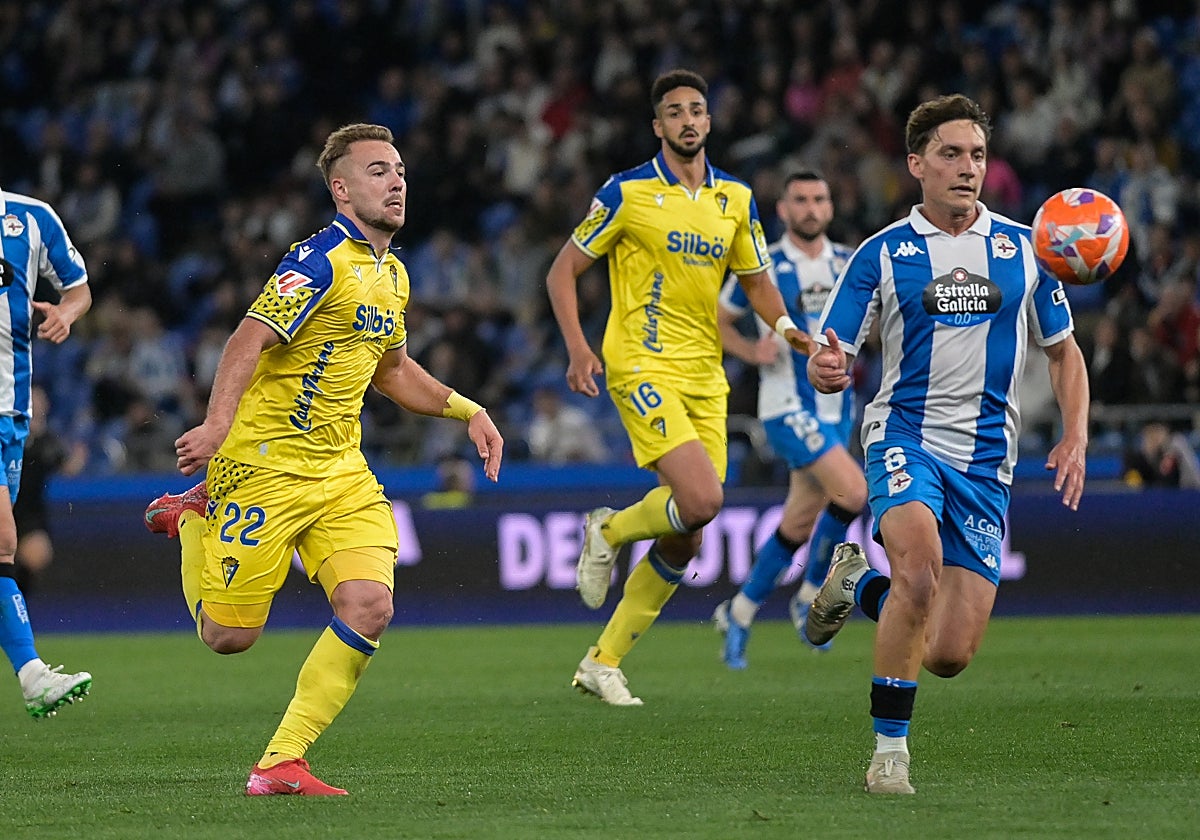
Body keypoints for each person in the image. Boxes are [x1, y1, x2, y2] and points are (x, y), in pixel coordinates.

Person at [143, 124, 503, 795]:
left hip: (342, 474)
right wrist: (218, 427)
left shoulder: (393, 274)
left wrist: (469, 411)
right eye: (377, 171)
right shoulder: (315, 262)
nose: (396, 181)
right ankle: (193, 517)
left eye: (399, 170)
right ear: (341, 190)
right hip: (263, 466)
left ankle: (280, 761)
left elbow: (392, 372)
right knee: (228, 638)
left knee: (369, 605)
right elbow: (245, 341)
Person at [805, 94, 1089, 794]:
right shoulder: (883, 253)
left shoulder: (1027, 249)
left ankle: (854, 581)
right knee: (921, 570)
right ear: (917, 164)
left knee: (949, 654)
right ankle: (889, 754)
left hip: (987, 464)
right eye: (952, 154)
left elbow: (1064, 353)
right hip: (905, 437)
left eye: (978, 155)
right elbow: (829, 352)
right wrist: (828, 368)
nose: (969, 168)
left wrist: (1076, 434)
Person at [545, 69, 811, 706]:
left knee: (690, 530)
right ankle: (607, 532)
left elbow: (754, 280)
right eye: (674, 112)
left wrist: (786, 327)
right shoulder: (626, 193)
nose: (688, 120)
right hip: (640, 361)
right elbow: (563, 271)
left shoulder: (736, 200)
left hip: (705, 376)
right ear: (658, 126)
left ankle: (601, 661)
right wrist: (580, 347)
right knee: (702, 496)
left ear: (709, 121)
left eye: (697, 109)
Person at [711, 170, 867, 669]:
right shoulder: (766, 266)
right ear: (782, 210)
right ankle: (811, 597)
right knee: (854, 492)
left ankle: (738, 612)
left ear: (830, 206)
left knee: (798, 522)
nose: (810, 208)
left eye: (819, 198)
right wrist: (748, 352)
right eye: (799, 199)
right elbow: (717, 319)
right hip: (787, 408)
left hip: (837, 409)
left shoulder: (848, 262)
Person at [0, 186, 93, 718]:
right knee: (4, 539)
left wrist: (66, 314)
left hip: (12, 412)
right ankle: (33, 675)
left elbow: (78, 288)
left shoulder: (32, 217)